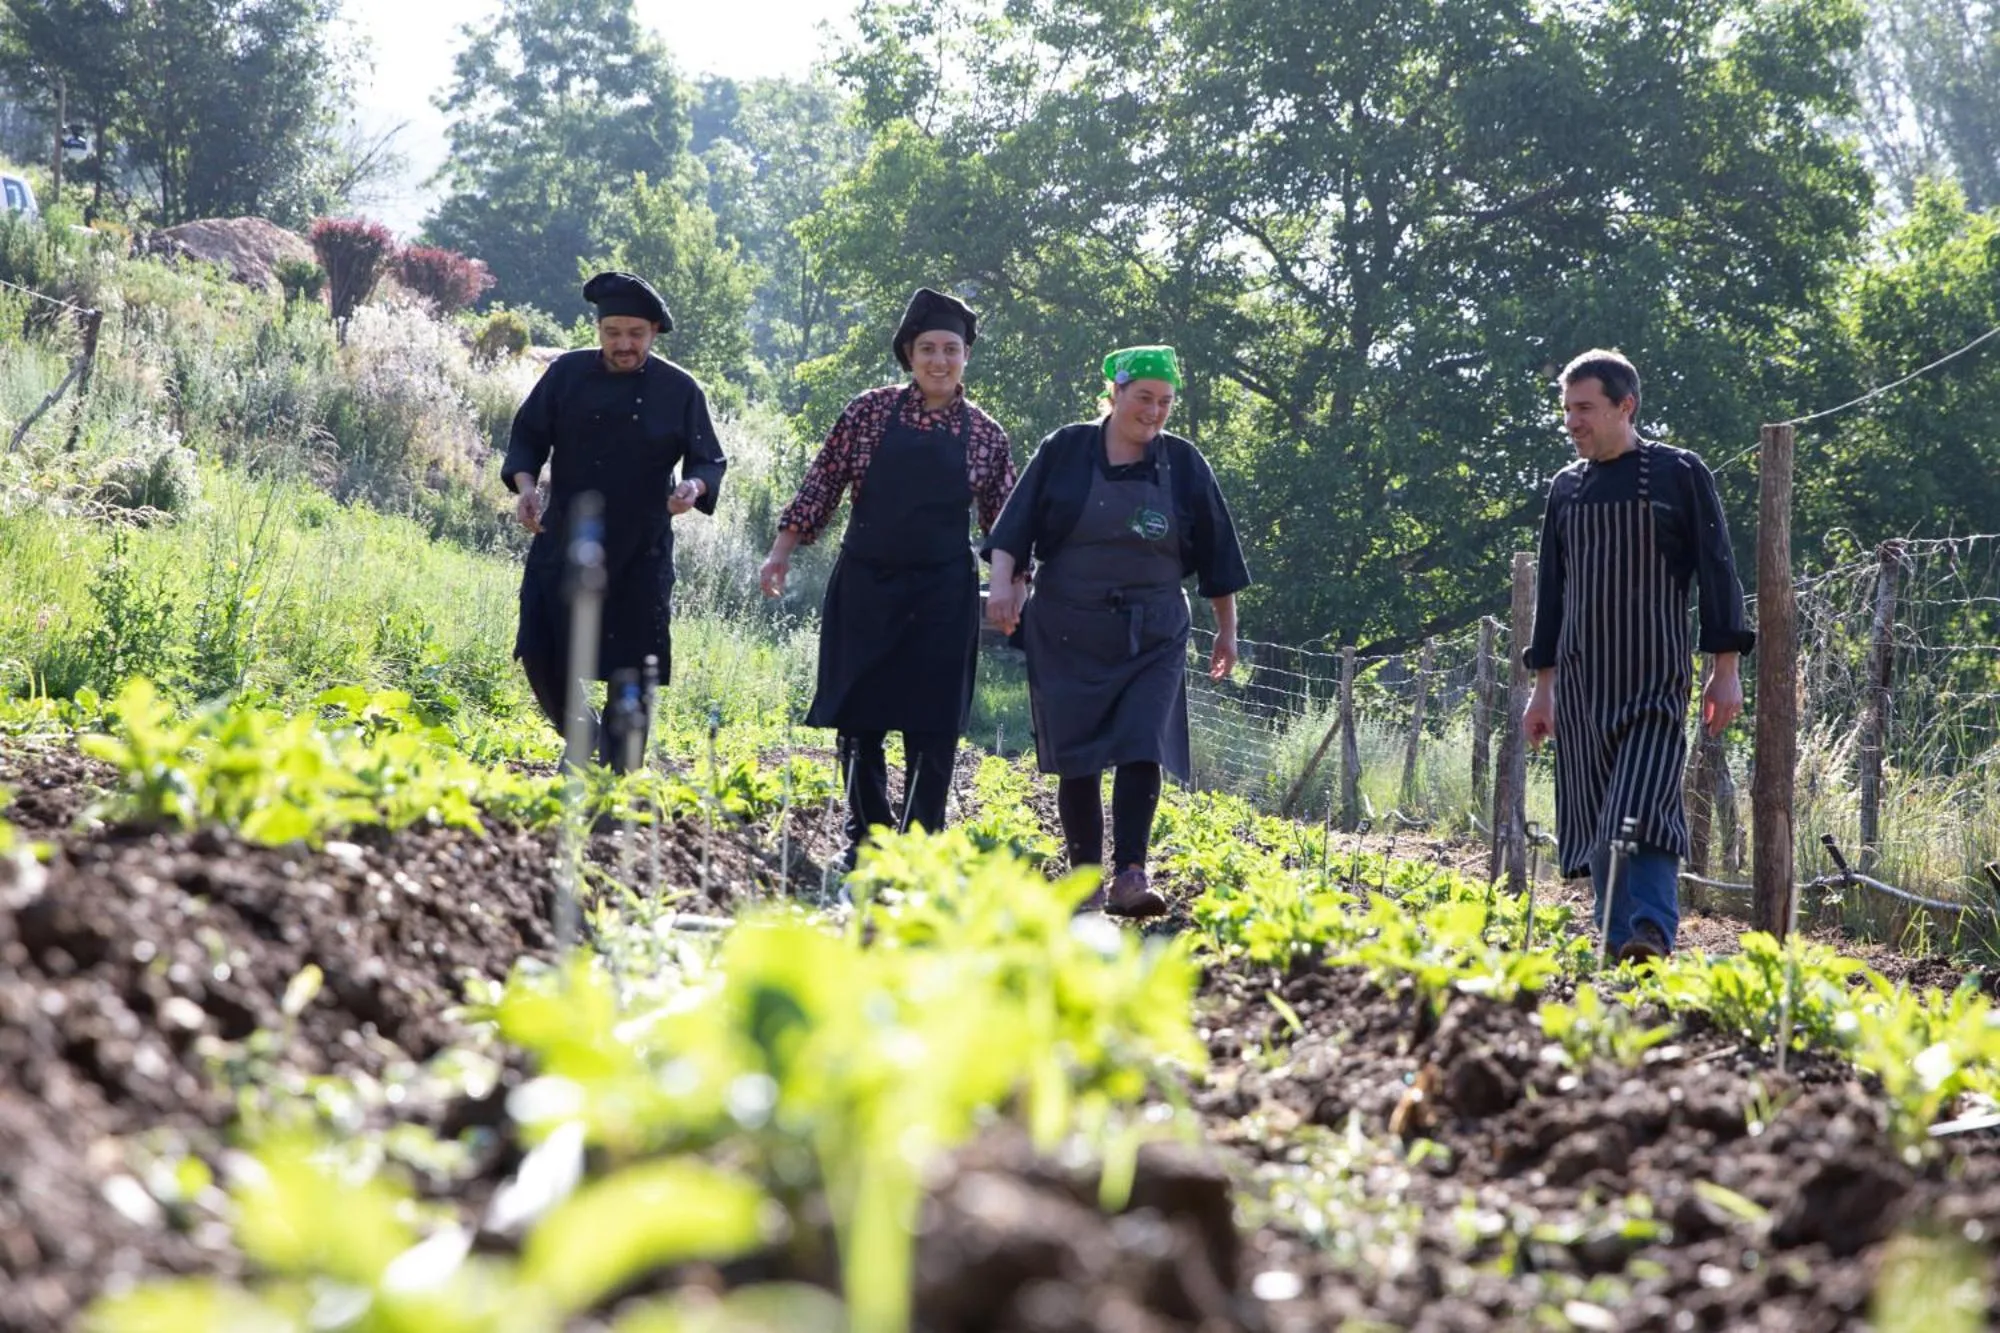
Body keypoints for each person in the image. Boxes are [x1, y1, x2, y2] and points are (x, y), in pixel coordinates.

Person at [984, 346, 1250, 917]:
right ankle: (1084, 879)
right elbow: (1015, 525)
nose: (1154, 413)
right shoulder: (1066, 450)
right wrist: (1003, 583)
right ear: (1115, 394)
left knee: (1141, 742)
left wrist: (1227, 629)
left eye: (1165, 402)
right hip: (1067, 629)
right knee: (1077, 755)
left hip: (1152, 632)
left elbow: (1218, 552)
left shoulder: (1183, 464)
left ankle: (1131, 873)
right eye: (1143, 398)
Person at [759, 287, 1016, 872]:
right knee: (860, 711)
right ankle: (867, 836)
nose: (939, 361)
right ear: (908, 354)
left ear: (966, 357)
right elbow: (821, 485)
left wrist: (1010, 585)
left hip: (943, 594)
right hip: (866, 584)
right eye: (927, 348)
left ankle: (921, 842)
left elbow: (1004, 521)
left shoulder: (985, 435)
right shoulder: (868, 413)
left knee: (934, 718)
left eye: (951, 349)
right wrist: (781, 552)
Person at [1522, 348, 1754, 962]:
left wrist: (1723, 670)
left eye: (1585, 408)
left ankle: (1650, 929)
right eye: (1567, 408)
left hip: (1653, 678)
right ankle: (1612, 938)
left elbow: (1717, 570)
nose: (1572, 421)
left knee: (1641, 803)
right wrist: (1541, 688)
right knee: (1600, 818)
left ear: (1626, 406)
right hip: (1578, 683)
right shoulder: (1565, 490)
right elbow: (1551, 589)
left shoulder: (1679, 474)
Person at [502, 271, 726, 769]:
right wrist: (525, 487)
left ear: (654, 332)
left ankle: (619, 775)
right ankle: (584, 741)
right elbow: (528, 436)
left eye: (635, 334)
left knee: (631, 669)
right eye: (612, 333)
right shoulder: (566, 374)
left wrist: (693, 487)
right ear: (599, 330)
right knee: (540, 649)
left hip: (639, 550)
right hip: (564, 538)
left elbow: (709, 459)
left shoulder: (679, 389)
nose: (623, 345)